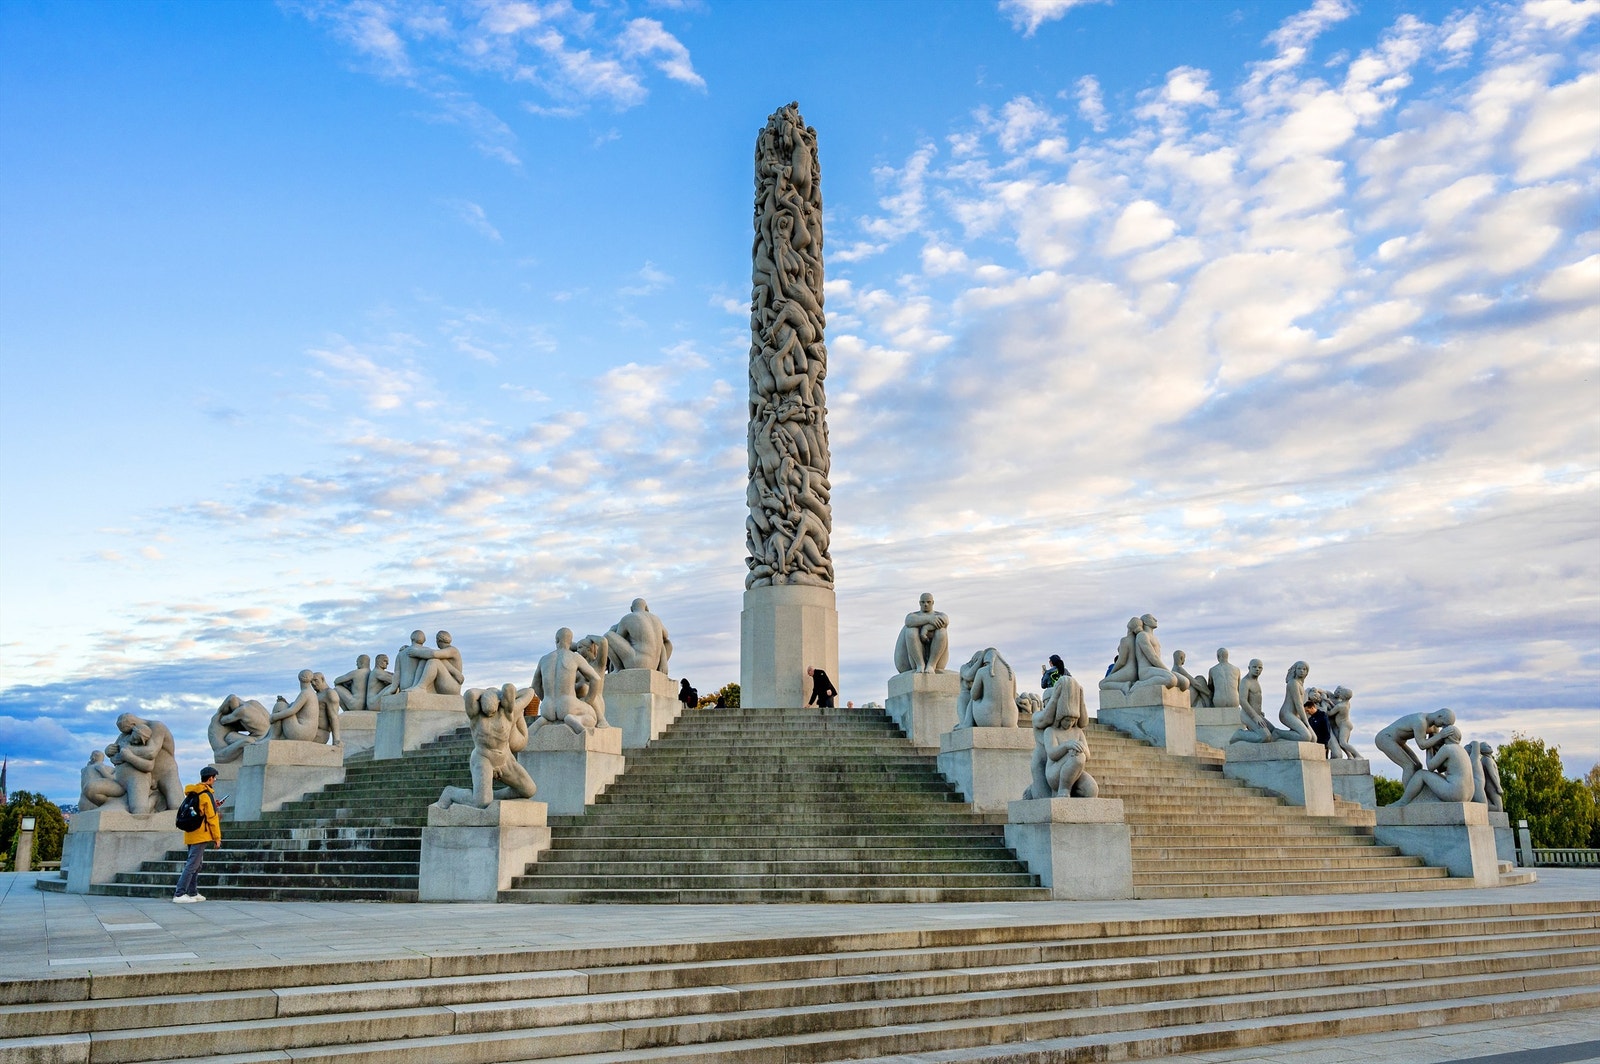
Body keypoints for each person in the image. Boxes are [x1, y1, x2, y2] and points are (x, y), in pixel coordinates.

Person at [173, 766, 222, 903]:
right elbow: (212, 818)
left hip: (191, 833)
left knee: (196, 864)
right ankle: (179, 893)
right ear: (210, 778)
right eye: (214, 777)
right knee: (192, 864)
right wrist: (217, 838)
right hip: (201, 834)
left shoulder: (194, 792)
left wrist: (215, 805)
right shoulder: (206, 795)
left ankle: (192, 892)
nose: (215, 780)